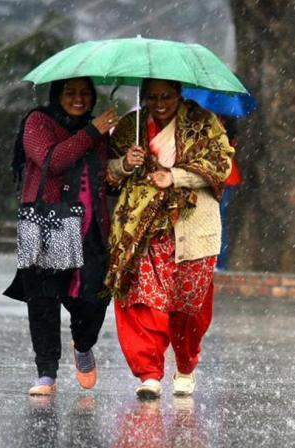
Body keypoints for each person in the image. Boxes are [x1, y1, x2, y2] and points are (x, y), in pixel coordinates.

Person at [105, 78, 234, 399]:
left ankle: (186, 366)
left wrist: (174, 175)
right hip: (141, 229)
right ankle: (149, 373)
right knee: (142, 299)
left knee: (189, 306)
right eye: (152, 97)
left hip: (192, 227)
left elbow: (221, 166)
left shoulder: (204, 124)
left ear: (179, 93)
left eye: (166, 97)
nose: (159, 104)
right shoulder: (129, 127)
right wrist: (125, 164)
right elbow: (105, 172)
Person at [4, 77, 118, 396]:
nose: (78, 99)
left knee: (94, 297)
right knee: (43, 299)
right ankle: (47, 373)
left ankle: (83, 344)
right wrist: (93, 131)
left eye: (85, 93)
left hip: (90, 228)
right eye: (71, 92)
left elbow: (106, 181)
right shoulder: (38, 121)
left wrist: (125, 166)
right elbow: (53, 161)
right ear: (57, 94)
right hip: (45, 220)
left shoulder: (97, 132)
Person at [217, 117, 241, 271]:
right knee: (220, 221)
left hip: (223, 178)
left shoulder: (223, 124)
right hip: (223, 177)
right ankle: (218, 263)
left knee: (219, 221)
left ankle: (219, 262)